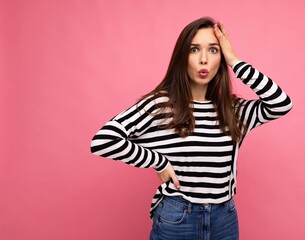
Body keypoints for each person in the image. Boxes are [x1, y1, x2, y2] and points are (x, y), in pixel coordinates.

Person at [90, 17, 292, 240]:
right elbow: (104, 140)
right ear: (182, 56)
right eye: (194, 49)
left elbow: (281, 103)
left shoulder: (233, 110)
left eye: (213, 50)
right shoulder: (160, 105)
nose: (204, 59)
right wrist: (158, 161)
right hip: (178, 217)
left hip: (225, 218)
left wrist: (235, 60)